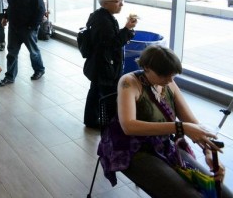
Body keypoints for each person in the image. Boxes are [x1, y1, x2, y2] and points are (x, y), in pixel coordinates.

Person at [98, 45, 232, 198]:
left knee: (222, 193)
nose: (169, 80)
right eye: (163, 76)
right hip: (132, 149)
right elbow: (128, 126)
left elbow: (192, 124)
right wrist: (181, 127)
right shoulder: (129, 82)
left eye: (172, 76)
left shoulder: (169, 83)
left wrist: (208, 152)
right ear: (146, 67)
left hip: (162, 145)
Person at [83, 0, 136, 128]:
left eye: (122, 0)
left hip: (98, 63)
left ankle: (91, 120)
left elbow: (108, 39)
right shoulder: (103, 21)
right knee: (108, 95)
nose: (122, 4)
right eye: (118, 1)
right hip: (105, 65)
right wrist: (127, 29)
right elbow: (112, 44)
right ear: (105, 3)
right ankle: (110, 124)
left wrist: (125, 29)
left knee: (95, 91)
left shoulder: (101, 16)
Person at [0, 0, 46, 86]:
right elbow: (11, 5)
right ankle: (10, 76)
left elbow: (41, 9)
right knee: (11, 53)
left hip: (27, 28)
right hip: (14, 27)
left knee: (33, 51)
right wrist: (5, 17)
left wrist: (32, 26)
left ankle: (39, 70)